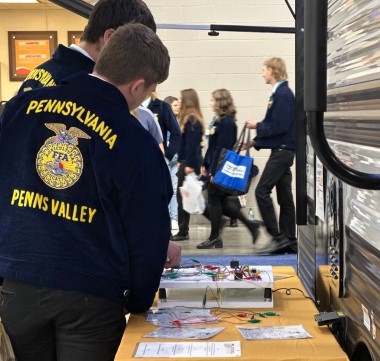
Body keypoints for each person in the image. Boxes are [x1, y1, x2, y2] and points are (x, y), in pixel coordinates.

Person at [0, 24, 172, 361]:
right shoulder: (134, 140)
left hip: (19, 283)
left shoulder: (21, 109)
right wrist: (138, 299)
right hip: (89, 295)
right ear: (138, 86)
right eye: (149, 91)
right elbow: (147, 232)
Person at [13, 0, 180, 278]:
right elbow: (91, 187)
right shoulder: (83, 87)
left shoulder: (43, 72)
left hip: (27, 249)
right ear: (112, 38)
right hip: (67, 259)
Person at [18, 0, 156, 93]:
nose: (134, 62)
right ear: (111, 38)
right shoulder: (89, 85)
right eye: (134, 50)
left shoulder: (41, 71)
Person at [197, 89, 261, 249]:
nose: (210, 103)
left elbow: (222, 150)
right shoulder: (218, 121)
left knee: (214, 199)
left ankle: (214, 237)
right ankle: (251, 226)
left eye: (212, 100)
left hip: (219, 168)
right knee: (221, 202)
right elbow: (212, 147)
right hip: (213, 166)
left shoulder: (226, 123)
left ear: (220, 102)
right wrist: (205, 164)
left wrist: (213, 171)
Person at [246, 57, 296, 255]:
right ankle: (290, 241)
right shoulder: (280, 93)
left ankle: (277, 237)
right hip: (283, 149)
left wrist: (257, 126)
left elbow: (279, 126)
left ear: (273, 71)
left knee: (261, 191)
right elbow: (277, 128)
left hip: (283, 151)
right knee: (285, 197)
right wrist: (255, 142)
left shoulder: (282, 94)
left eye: (264, 69)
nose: (262, 73)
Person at [172, 88, 204, 241]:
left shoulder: (191, 120)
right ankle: (183, 230)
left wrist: (188, 165)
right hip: (185, 163)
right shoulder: (188, 119)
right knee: (184, 197)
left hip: (189, 164)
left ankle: (184, 230)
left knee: (187, 197)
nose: (178, 101)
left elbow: (192, 145)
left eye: (180, 99)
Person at [163, 95, 180, 231]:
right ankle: (166, 218)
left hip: (175, 160)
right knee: (165, 188)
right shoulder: (164, 119)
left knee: (174, 189)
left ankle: (174, 218)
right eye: (175, 105)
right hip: (167, 159)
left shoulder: (178, 122)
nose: (178, 107)